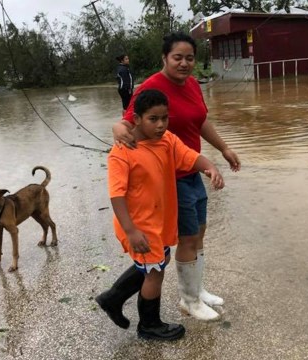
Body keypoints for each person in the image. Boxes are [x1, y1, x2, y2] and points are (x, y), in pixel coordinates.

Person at [112, 32, 241, 321]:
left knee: (201, 232)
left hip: (193, 169)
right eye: (177, 58)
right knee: (188, 237)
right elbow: (128, 121)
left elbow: (201, 120)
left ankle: (198, 288)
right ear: (164, 58)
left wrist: (224, 148)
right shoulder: (152, 87)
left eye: (190, 58)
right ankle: (189, 300)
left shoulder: (193, 84)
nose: (184, 63)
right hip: (171, 178)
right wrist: (117, 128)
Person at [96, 89, 225, 341]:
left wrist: (209, 166)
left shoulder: (167, 140)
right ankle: (149, 325)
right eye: (152, 119)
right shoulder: (122, 152)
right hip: (138, 225)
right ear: (136, 119)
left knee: (154, 263)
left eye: (164, 118)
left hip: (158, 222)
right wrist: (131, 231)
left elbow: (188, 155)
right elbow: (117, 195)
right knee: (155, 272)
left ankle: (112, 298)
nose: (160, 125)